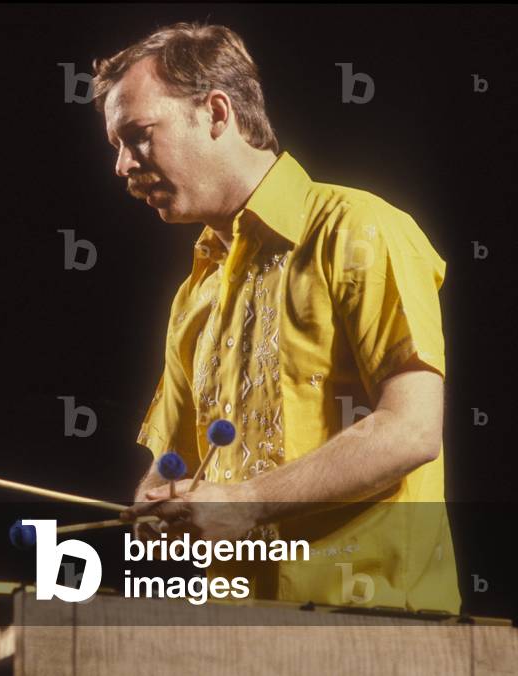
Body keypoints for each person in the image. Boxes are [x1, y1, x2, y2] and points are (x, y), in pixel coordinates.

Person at [95, 21, 460, 612]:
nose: (122, 166)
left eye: (137, 136)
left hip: (375, 626)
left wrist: (246, 500)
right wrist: (158, 499)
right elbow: (176, 462)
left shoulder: (358, 227)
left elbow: (411, 430)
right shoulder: (195, 293)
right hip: (237, 634)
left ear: (216, 113)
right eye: (116, 146)